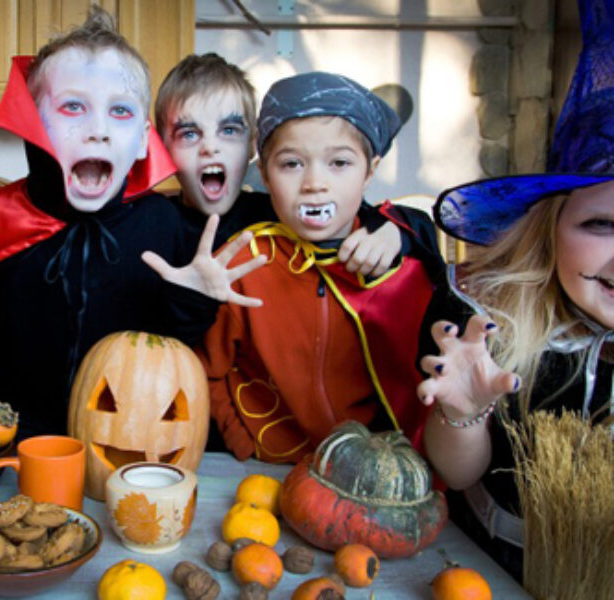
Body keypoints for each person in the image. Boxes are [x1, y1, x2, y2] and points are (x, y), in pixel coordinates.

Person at [0, 8, 266, 439]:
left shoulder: (167, 225)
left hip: (130, 443)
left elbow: (172, 349)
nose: (97, 130)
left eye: (119, 111)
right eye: (72, 107)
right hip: (21, 447)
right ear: (35, 124)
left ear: (144, 140)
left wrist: (193, 303)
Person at [417, 0, 614, 581]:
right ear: (549, 228)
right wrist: (466, 412)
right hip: (494, 571)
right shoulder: (484, 321)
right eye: (601, 225)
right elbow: (457, 475)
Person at [200, 71, 448, 463]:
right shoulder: (242, 260)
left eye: (339, 163)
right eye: (292, 164)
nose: (315, 182)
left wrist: (403, 233)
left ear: (370, 171)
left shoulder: (398, 258)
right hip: (272, 467)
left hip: (375, 472)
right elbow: (208, 367)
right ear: (264, 173)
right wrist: (242, 440)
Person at [154, 52, 404, 276]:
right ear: (162, 148)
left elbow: (380, 216)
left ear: (253, 144)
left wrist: (394, 232)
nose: (210, 148)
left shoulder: (281, 212)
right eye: (188, 134)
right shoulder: (149, 223)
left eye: (229, 130)